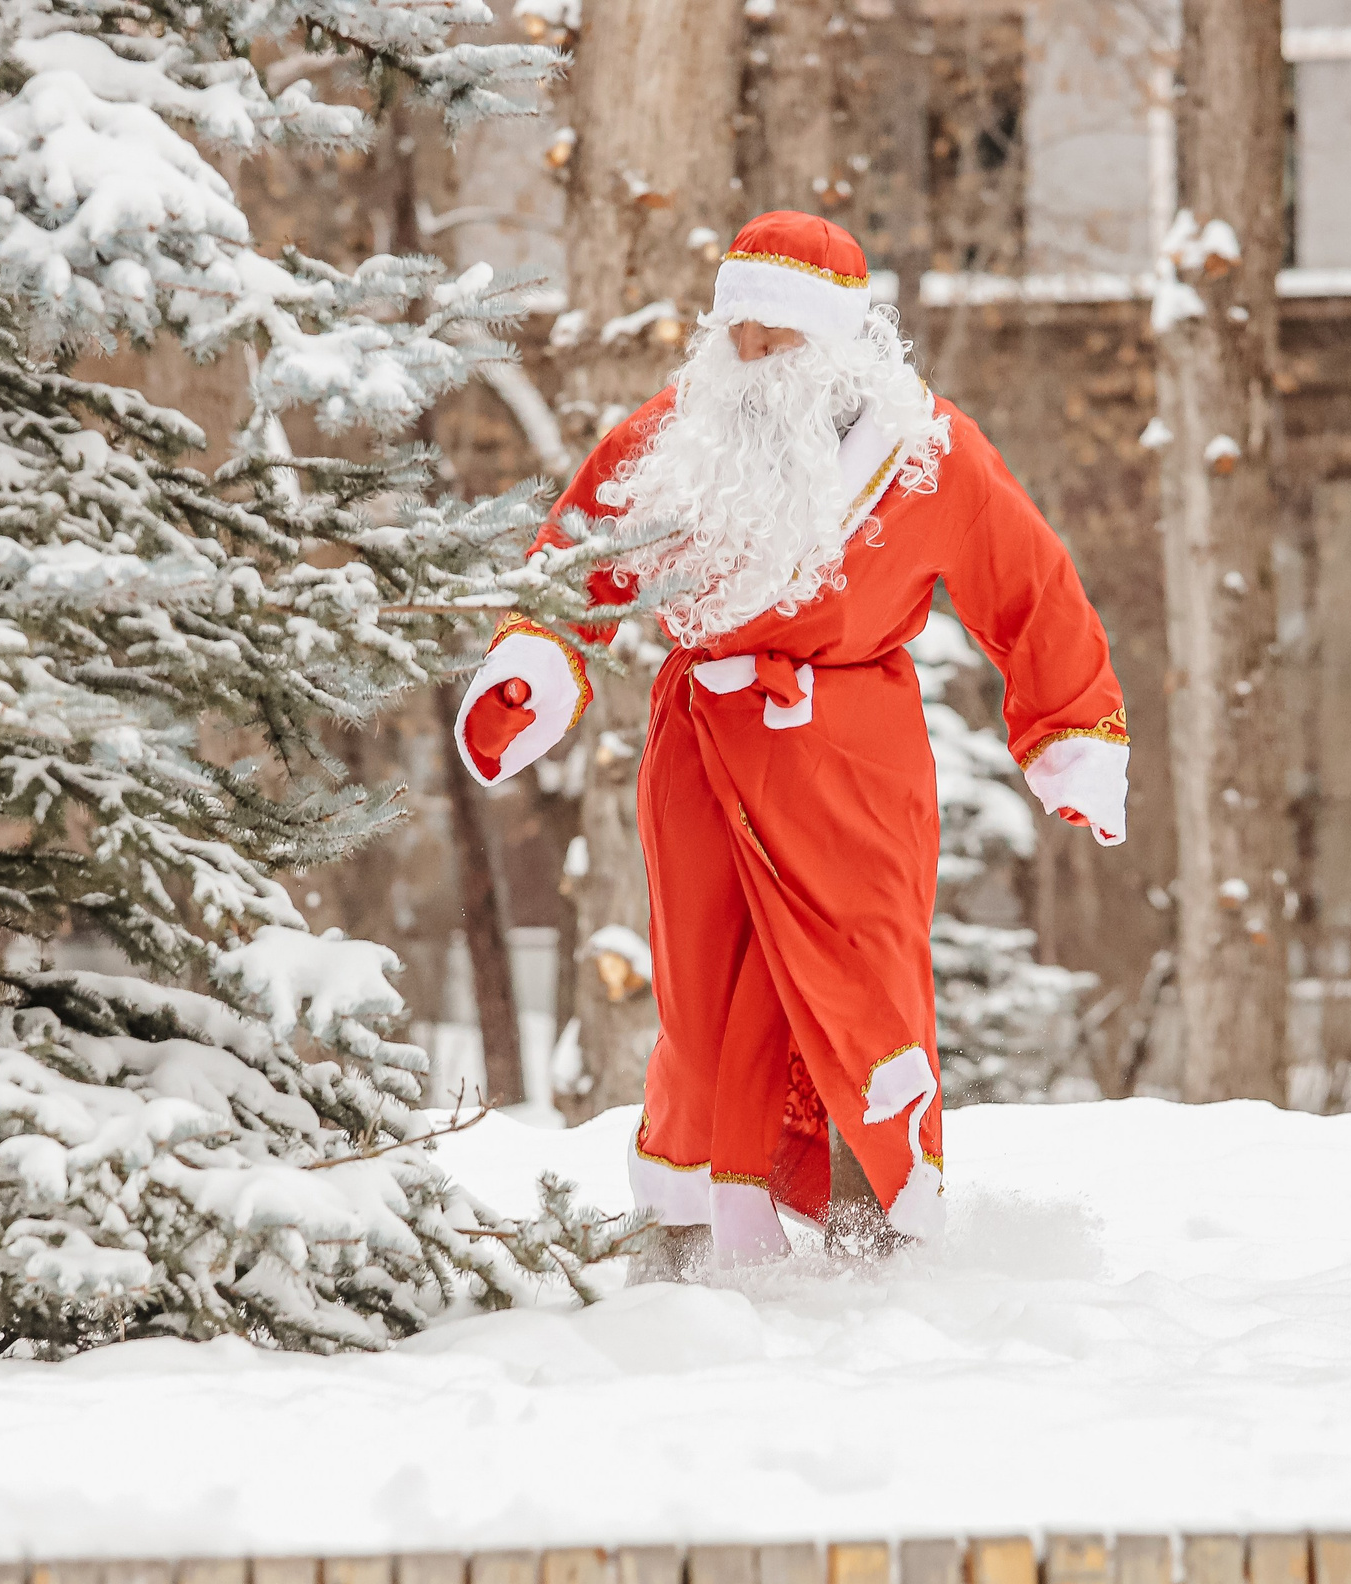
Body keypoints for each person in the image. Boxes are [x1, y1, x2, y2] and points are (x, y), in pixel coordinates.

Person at [455, 211, 1127, 1272]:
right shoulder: (675, 438)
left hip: (850, 756)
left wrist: (1071, 729)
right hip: (704, 753)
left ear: (839, 342)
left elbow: (1029, 585)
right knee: (702, 997)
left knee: (863, 988)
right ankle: (686, 1249)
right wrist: (534, 659)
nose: (756, 354)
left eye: (781, 333)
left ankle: (876, 1243)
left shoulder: (925, 454)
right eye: (741, 331)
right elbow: (579, 554)